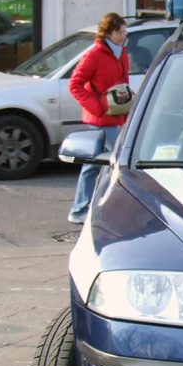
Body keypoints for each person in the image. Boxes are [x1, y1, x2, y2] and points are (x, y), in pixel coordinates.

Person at [66, 12, 130, 224]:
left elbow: (122, 84)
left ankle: (81, 208)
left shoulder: (121, 53)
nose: (124, 35)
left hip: (114, 116)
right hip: (100, 119)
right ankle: (82, 208)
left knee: (94, 164)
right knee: (119, 160)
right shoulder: (94, 55)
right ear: (109, 32)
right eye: (120, 32)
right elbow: (75, 84)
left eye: (124, 31)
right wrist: (97, 107)